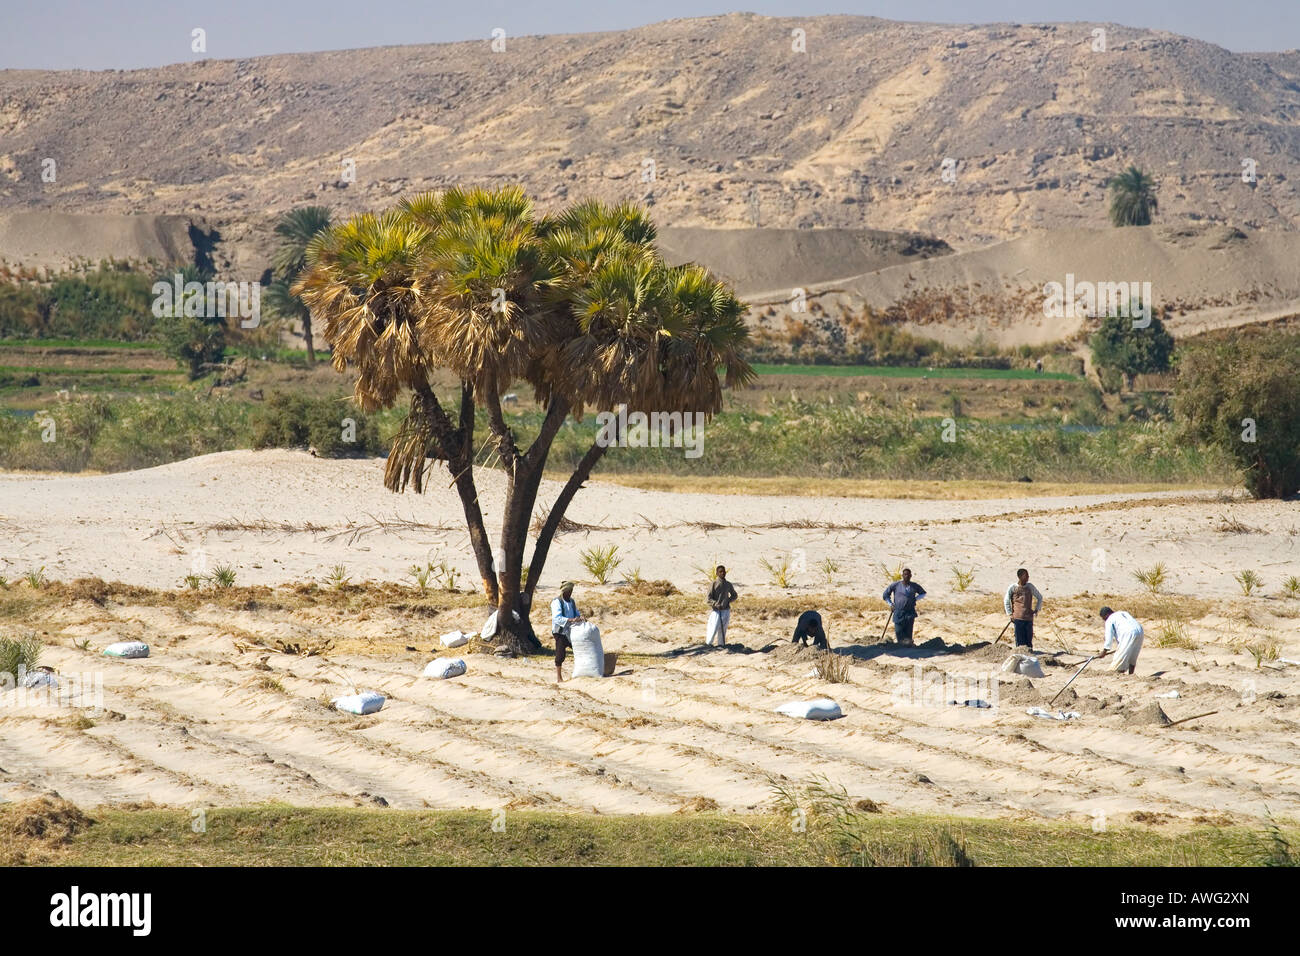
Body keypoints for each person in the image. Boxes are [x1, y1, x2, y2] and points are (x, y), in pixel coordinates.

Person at [882, 568, 926, 646]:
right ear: (902, 575)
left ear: (911, 576)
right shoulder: (896, 585)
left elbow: (923, 593)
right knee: (899, 632)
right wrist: (891, 604)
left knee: (908, 634)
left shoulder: (914, 586)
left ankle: (908, 646)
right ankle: (900, 646)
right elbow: (885, 595)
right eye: (905, 574)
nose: (907, 576)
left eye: (908, 575)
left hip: (910, 613)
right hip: (898, 612)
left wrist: (915, 599)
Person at [550, 580, 584, 682]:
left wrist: (579, 617)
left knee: (578, 649)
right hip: (560, 632)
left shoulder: (572, 601)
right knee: (560, 654)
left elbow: (576, 613)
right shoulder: (557, 602)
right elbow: (557, 618)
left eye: (571, 591)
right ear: (564, 591)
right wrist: (571, 620)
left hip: (571, 631)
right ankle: (559, 678)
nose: (570, 593)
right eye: (569, 591)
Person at [1004, 568, 1043, 651]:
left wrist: (1036, 609)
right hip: (1018, 618)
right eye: (1026, 576)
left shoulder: (1030, 587)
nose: (1028, 577)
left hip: (1028, 618)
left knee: (1028, 641)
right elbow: (1006, 600)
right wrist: (1010, 614)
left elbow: (1040, 597)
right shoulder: (1013, 587)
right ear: (1020, 577)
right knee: (1020, 641)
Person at [1097, 606, 1144, 675]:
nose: (1104, 620)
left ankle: (1117, 674)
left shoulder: (1110, 619)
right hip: (1140, 631)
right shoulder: (1123, 613)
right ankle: (1131, 675)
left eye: (1104, 618)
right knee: (1133, 656)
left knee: (1119, 660)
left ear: (1106, 615)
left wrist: (1104, 651)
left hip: (1128, 633)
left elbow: (1108, 637)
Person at [705, 565, 738, 647]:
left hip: (726, 610)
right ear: (716, 573)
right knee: (712, 629)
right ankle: (708, 645)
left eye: (724, 571)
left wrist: (728, 601)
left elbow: (734, 595)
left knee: (723, 629)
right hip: (716, 611)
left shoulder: (728, 584)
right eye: (720, 571)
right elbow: (708, 599)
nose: (722, 573)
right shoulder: (713, 584)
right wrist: (715, 604)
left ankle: (721, 645)